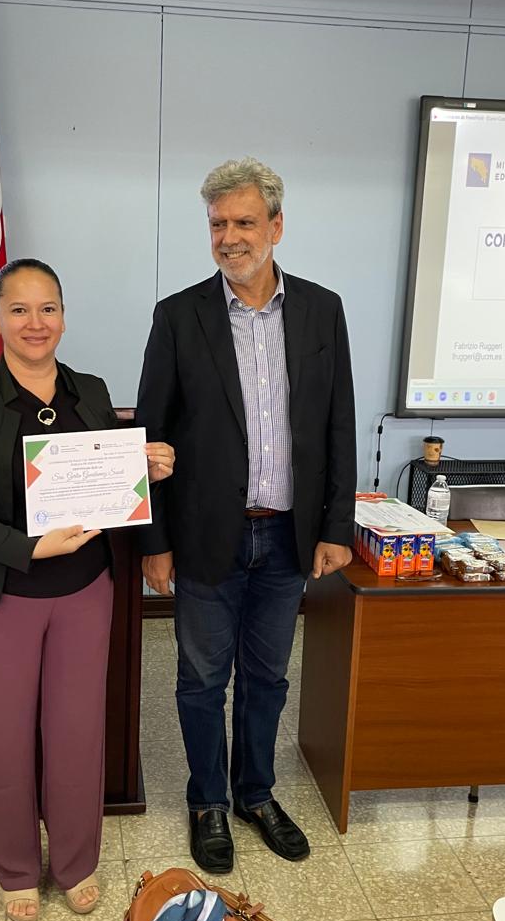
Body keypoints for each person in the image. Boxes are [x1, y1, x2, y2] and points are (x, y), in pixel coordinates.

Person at [0, 258, 174, 921]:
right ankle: (14, 868)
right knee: (4, 738)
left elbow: (108, 486)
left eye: (48, 308)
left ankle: (75, 860)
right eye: (19, 309)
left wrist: (146, 468)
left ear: (63, 317)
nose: (35, 323)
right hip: (1, 595)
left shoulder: (90, 392)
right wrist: (30, 547)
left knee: (76, 733)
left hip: (85, 590)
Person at [136, 157, 356, 874]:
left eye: (244, 222)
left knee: (268, 679)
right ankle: (207, 801)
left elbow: (339, 425)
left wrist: (335, 527)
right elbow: (151, 438)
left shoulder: (322, 310)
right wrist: (155, 540)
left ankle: (255, 794)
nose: (230, 237)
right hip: (206, 535)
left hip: (288, 535)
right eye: (218, 224)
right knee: (202, 680)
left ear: (276, 226)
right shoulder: (178, 316)